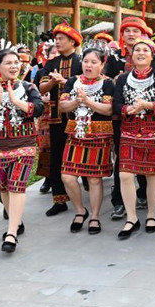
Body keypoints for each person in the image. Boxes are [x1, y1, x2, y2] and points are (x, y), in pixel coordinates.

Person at [0, 49, 44, 252]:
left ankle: (11, 233)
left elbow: (38, 108)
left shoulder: (29, 87)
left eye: (16, 62)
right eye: (8, 63)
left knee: (16, 186)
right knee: (3, 187)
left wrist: (15, 101)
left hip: (24, 145)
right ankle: (16, 221)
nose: (14, 66)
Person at [113, 36, 155, 238]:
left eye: (145, 50)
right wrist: (128, 109)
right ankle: (131, 218)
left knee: (151, 174)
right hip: (129, 131)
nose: (140, 53)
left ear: (152, 55)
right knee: (125, 174)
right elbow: (116, 105)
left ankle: (151, 214)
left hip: (154, 132)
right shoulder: (122, 78)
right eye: (137, 50)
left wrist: (147, 106)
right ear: (131, 54)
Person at [58, 45, 114, 235]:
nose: (88, 65)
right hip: (76, 134)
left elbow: (108, 109)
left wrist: (88, 101)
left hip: (99, 135)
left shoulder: (108, 84)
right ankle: (80, 210)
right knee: (67, 176)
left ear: (102, 64)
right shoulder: (72, 81)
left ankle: (95, 216)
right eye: (85, 61)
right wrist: (77, 101)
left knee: (94, 179)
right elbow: (63, 105)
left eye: (93, 62)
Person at [107, 17, 154, 217]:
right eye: (128, 31)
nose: (131, 34)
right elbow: (106, 81)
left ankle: (143, 193)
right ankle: (118, 199)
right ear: (122, 34)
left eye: (136, 31)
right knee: (122, 157)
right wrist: (114, 80)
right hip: (122, 115)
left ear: (142, 35)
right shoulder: (114, 57)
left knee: (145, 153)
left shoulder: (151, 55)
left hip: (146, 114)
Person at [37, 21, 83, 216]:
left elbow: (88, 84)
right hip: (56, 118)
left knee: (81, 155)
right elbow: (41, 87)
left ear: (73, 42)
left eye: (61, 39)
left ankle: (88, 189)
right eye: (56, 39)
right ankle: (59, 199)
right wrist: (53, 82)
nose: (57, 42)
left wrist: (67, 83)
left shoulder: (82, 61)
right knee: (57, 158)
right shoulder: (52, 63)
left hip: (80, 117)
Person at [35, 41, 56, 193]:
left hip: (63, 112)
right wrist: (41, 99)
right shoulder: (42, 72)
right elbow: (34, 91)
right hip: (45, 113)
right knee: (45, 147)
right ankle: (48, 178)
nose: (55, 56)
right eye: (52, 53)